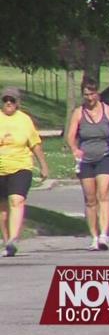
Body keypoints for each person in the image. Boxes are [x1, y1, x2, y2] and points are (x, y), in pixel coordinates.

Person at [66, 78, 109, 251]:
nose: (89, 98)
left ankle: (104, 235)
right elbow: (71, 135)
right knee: (90, 199)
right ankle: (94, 237)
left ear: (98, 93)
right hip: (86, 158)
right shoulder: (79, 113)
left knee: (103, 193)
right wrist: (74, 149)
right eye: (86, 94)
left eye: (92, 94)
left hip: (106, 156)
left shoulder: (108, 111)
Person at [0, 88, 49, 256]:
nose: (8, 103)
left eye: (12, 100)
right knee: (3, 210)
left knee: (17, 200)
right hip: (0, 169)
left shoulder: (25, 120)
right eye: (5, 100)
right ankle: (7, 242)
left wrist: (43, 165)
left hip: (21, 166)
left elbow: (35, 144)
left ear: (17, 103)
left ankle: (13, 239)